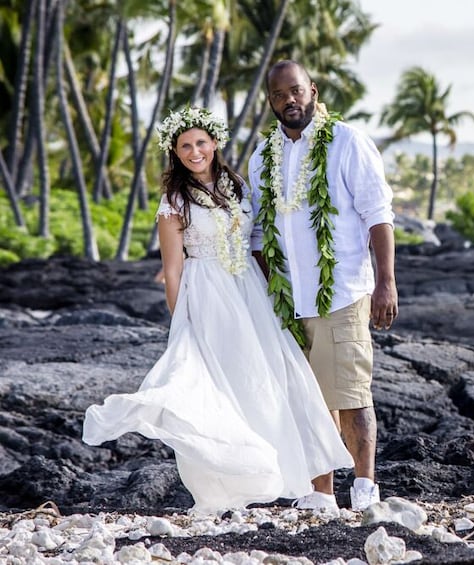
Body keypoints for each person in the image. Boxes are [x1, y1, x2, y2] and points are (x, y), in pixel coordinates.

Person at [83, 106, 353, 514]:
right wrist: (183, 322)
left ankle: (287, 478)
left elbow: (259, 242)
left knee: (270, 379)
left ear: (214, 144)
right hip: (207, 295)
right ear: (174, 152)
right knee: (218, 385)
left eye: (201, 143)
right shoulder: (174, 201)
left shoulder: (237, 186)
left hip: (251, 292)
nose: (195, 152)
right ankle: (227, 485)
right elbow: (172, 270)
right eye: (185, 146)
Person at [248, 60, 397, 512]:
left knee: (350, 393)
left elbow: (378, 214)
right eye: (278, 95)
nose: (288, 100)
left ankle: (366, 489)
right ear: (270, 102)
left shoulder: (348, 142)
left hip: (343, 291)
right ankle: (322, 493)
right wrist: (270, 287)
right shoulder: (262, 158)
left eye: (295, 91)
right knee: (309, 400)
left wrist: (386, 283)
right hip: (291, 301)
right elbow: (257, 234)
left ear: (312, 90)